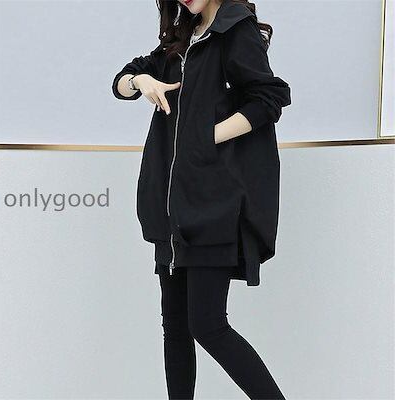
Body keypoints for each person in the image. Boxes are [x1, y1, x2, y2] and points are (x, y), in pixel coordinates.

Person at [112, 0, 291, 398]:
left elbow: (268, 98)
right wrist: (141, 81)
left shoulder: (235, 30)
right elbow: (121, 82)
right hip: (170, 209)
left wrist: (207, 138)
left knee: (208, 326)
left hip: (213, 206)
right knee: (175, 327)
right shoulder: (182, 37)